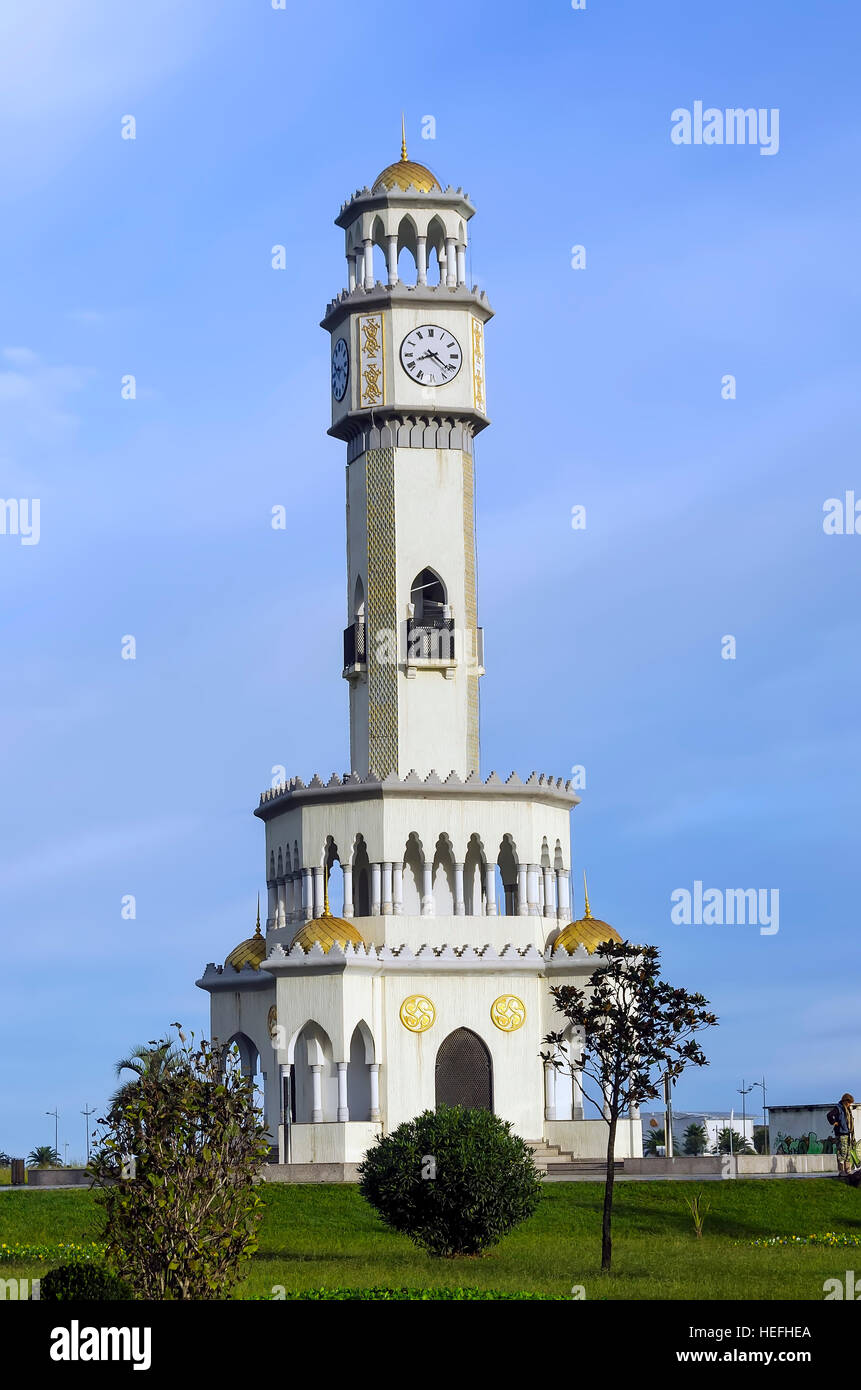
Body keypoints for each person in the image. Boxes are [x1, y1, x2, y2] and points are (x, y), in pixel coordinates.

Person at [829, 1093, 857, 1177]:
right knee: (842, 1152)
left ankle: (847, 1170)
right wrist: (834, 1122)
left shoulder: (847, 1109)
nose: (849, 1105)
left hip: (848, 1133)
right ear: (845, 1101)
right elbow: (829, 1115)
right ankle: (841, 1171)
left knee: (848, 1152)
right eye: (849, 1103)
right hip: (841, 1134)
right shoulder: (838, 1108)